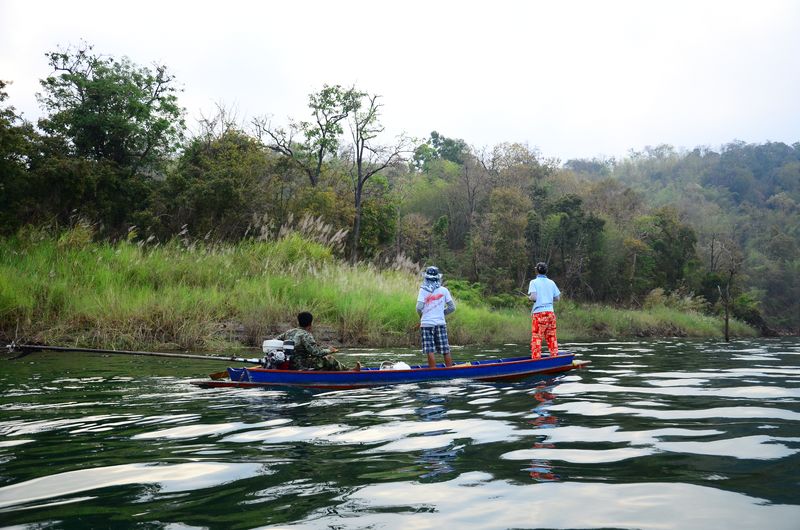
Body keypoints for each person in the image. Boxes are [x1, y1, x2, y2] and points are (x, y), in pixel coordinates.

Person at [275, 312, 359, 371]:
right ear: (310, 324)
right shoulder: (306, 335)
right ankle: (350, 371)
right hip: (300, 364)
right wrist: (330, 351)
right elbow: (316, 352)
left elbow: (275, 341)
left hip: (287, 363)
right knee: (329, 359)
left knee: (319, 361)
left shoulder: (289, 332)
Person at [416, 266, 456, 368]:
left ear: (426, 278)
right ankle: (450, 370)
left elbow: (418, 307)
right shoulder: (444, 290)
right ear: (438, 278)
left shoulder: (423, 290)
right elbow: (452, 307)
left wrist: (422, 316)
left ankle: (433, 371)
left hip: (426, 324)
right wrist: (442, 314)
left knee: (430, 350)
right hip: (440, 324)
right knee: (445, 350)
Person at [528, 262, 561, 359]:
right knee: (552, 337)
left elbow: (533, 297)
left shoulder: (533, 282)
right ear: (546, 271)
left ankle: (536, 360)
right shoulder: (551, 282)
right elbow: (557, 298)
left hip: (539, 314)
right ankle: (554, 357)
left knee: (537, 338)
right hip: (551, 313)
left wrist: (529, 298)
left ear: (536, 270)